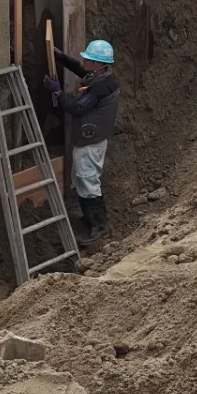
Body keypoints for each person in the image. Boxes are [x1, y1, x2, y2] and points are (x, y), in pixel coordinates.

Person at [44, 38, 120, 245]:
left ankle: (98, 226)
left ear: (98, 64)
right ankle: (90, 218)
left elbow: (77, 107)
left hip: (91, 144)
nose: (83, 60)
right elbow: (80, 69)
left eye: (88, 58)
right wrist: (62, 58)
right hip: (91, 142)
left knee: (88, 181)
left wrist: (57, 92)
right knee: (83, 179)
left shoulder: (99, 88)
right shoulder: (102, 77)